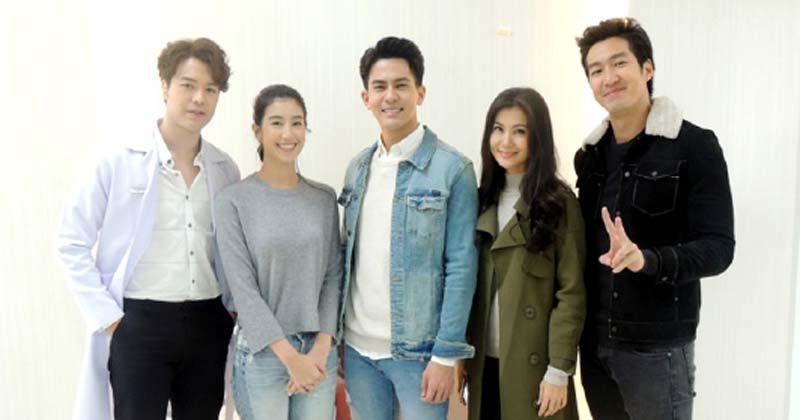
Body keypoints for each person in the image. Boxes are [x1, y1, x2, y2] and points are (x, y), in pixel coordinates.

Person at [56, 38, 240, 420]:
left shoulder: (225, 169)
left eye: (210, 89)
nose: (199, 98)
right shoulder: (117, 160)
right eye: (188, 85)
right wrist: (109, 318)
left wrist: (232, 311)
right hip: (139, 323)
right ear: (165, 86)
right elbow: (71, 241)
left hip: (208, 322)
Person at [573, 17, 735, 420]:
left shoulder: (694, 146)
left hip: (656, 350)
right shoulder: (589, 157)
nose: (608, 77)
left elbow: (718, 249)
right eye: (596, 70)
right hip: (594, 346)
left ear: (647, 69)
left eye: (619, 63)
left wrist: (648, 260)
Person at [339, 36, 479, 420]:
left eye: (401, 85)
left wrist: (446, 355)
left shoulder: (453, 169)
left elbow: (462, 265)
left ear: (420, 92)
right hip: (357, 350)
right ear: (366, 98)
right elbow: (347, 256)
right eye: (379, 87)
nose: (390, 96)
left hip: (420, 353)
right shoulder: (357, 168)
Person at [456, 87, 586, 420]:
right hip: (484, 364)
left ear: (537, 138)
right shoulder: (479, 199)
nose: (506, 141)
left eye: (519, 131)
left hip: (536, 370)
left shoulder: (559, 203)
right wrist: (459, 353)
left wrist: (559, 370)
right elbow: (464, 283)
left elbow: (571, 293)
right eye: (498, 129)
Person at [215, 84, 342, 420]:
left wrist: (321, 349)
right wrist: (291, 359)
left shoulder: (323, 198)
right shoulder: (233, 201)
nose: (288, 133)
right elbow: (243, 290)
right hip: (263, 355)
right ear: (257, 131)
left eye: (297, 123)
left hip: (319, 353)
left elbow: (333, 276)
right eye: (276, 123)